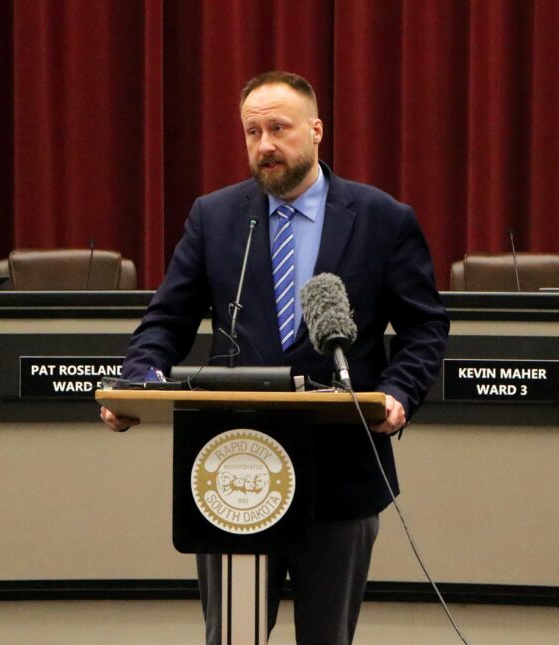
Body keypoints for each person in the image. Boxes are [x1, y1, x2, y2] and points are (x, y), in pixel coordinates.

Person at [101, 70, 449, 645]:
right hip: (236, 467)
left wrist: (399, 391)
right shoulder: (214, 218)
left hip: (343, 470)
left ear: (316, 131)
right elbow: (167, 319)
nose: (265, 144)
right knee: (232, 637)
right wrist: (140, 377)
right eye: (252, 131)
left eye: (279, 128)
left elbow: (425, 325)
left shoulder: (382, 218)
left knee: (326, 637)